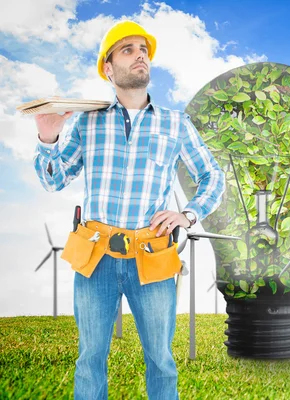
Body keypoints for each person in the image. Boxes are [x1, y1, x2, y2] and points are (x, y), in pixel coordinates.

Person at [33, 20, 224, 400]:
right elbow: (54, 180)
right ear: (108, 68)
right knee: (90, 359)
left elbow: (212, 176)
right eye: (128, 49)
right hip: (96, 256)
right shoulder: (87, 122)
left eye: (143, 49)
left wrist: (187, 215)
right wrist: (48, 137)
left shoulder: (176, 124)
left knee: (161, 360)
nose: (140, 55)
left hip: (151, 257)